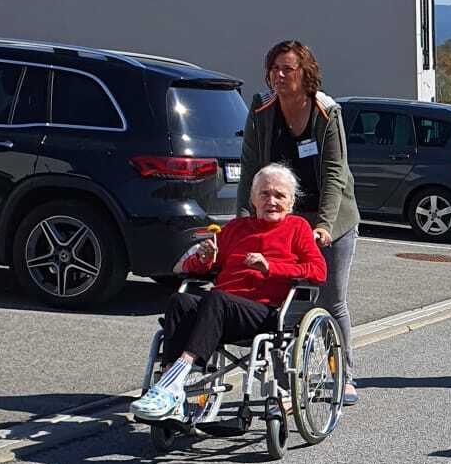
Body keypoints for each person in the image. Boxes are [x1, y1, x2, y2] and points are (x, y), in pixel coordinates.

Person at [130, 164, 326, 422]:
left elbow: (318, 271)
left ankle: (174, 381)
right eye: (265, 194)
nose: (272, 201)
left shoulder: (297, 227)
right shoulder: (236, 228)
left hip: (264, 312)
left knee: (216, 298)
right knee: (181, 300)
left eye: (280, 195)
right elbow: (192, 268)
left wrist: (270, 267)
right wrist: (205, 259)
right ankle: (170, 389)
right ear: (253, 199)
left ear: (291, 202)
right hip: (218, 312)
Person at [238, 39, 361, 404]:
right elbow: (250, 169)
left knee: (330, 298)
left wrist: (324, 225)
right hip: (283, 216)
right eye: (274, 69)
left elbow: (335, 173)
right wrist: (244, 219)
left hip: (331, 217)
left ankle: (343, 376)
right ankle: (283, 383)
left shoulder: (326, 111)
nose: (279, 76)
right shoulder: (261, 109)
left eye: (287, 69)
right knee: (280, 300)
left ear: (305, 74)